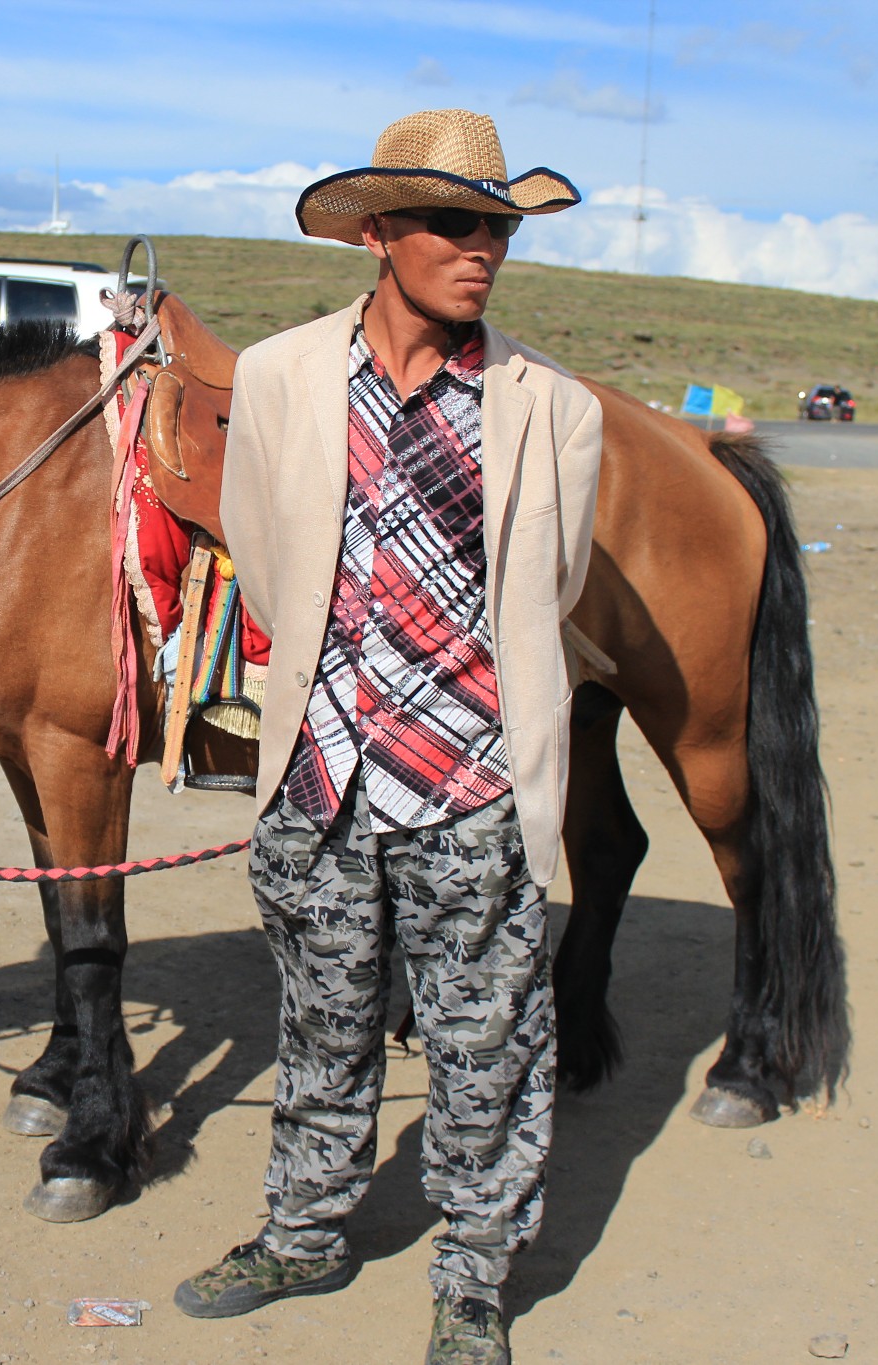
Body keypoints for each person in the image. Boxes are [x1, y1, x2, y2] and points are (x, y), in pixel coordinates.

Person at [172, 110, 602, 1365]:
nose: (483, 249)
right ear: (377, 236)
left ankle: (473, 1280)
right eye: (455, 223)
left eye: (498, 228)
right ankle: (303, 1234)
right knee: (319, 1019)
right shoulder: (279, 376)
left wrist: (442, 694)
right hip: (321, 772)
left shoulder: (548, 411)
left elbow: (551, 587)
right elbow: (260, 554)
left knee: (488, 1046)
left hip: (470, 776)